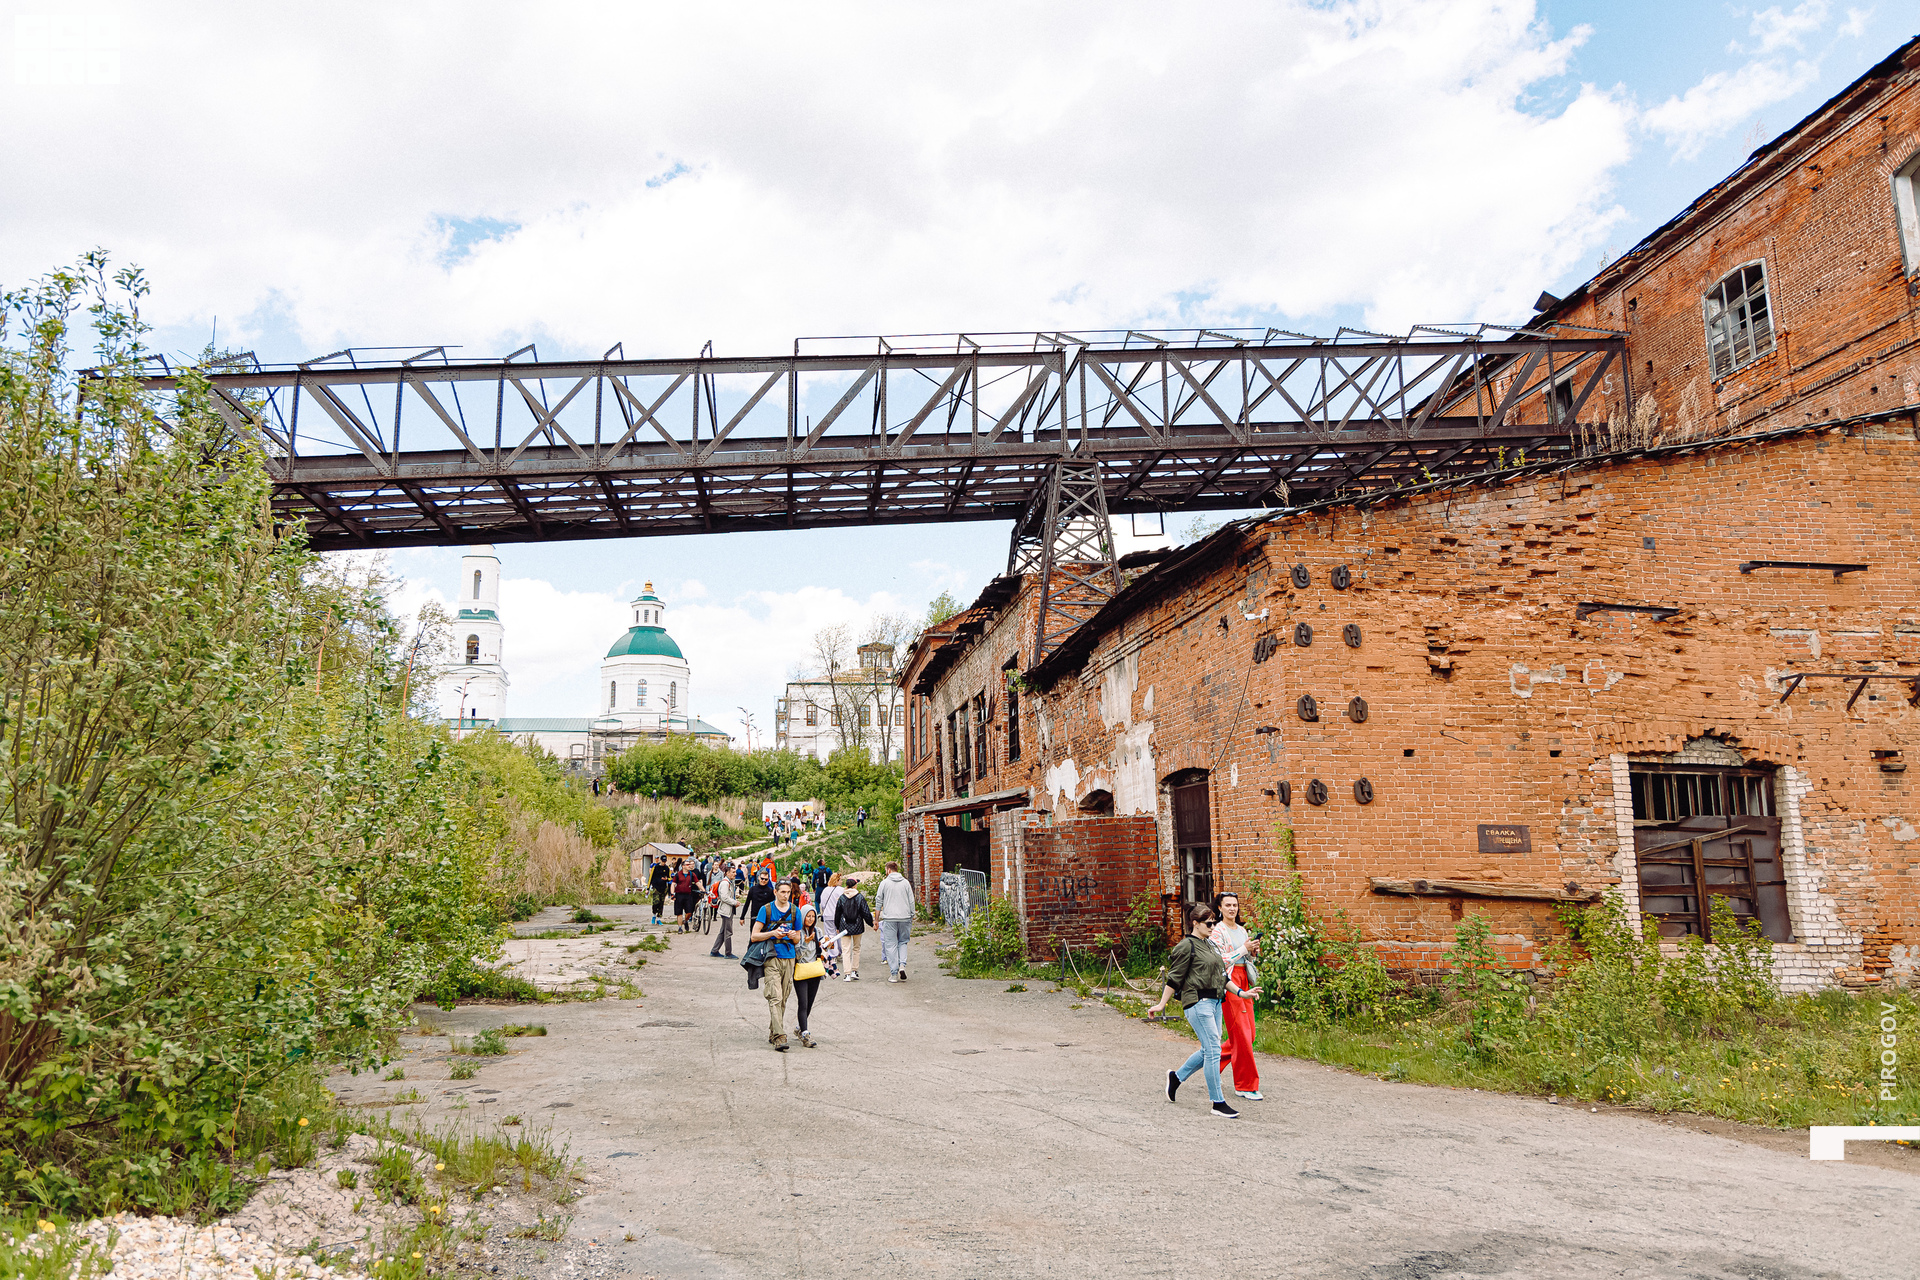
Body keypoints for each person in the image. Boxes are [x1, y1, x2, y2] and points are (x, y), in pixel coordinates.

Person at [1146, 902, 1257, 1119]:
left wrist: (1242, 993)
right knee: (1214, 1051)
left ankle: (1176, 1078)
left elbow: (1222, 977)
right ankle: (1217, 1102)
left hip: (1215, 1002)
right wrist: (1161, 1004)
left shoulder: (1211, 945)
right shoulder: (1187, 946)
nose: (1213, 926)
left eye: (1214, 922)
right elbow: (1174, 978)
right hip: (1197, 1003)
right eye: (1209, 923)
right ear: (1195, 923)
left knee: (1209, 1050)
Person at [1210, 891, 1264, 1101]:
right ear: (1220, 908)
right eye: (1228, 905)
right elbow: (1219, 961)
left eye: (1235, 905)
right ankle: (1246, 1085)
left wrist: (1252, 952)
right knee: (1241, 1034)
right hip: (1229, 983)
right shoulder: (1217, 932)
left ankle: (1210, 1062)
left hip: (1245, 982)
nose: (1232, 909)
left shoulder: (1242, 930)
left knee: (1248, 1036)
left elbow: (1247, 958)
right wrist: (1243, 949)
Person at [752, 879, 804, 1051]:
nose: (785, 895)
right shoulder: (765, 910)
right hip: (771, 956)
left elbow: (798, 938)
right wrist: (773, 933)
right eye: (782, 892)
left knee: (783, 998)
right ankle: (780, 1036)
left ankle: (774, 1031)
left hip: (789, 957)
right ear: (775, 892)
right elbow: (754, 936)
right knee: (775, 996)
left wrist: (791, 935)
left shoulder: (796, 911)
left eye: (788, 892)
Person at [791, 905, 827, 1048]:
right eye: (808, 916)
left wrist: (827, 944)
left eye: (813, 916)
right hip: (801, 971)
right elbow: (798, 955)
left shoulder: (817, 931)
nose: (811, 919)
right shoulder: (797, 933)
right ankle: (805, 1033)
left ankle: (800, 1028)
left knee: (810, 1003)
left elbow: (821, 950)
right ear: (803, 916)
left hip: (814, 971)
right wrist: (805, 943)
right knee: (803, 1002)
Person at [875, 861, 915, 982]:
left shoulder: (884, 883)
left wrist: (876, 919)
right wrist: (911, 915)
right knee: (903, 942)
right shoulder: (906, 883)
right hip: (905, 917)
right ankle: (902, 965)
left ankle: (894, 974)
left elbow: (878, 901)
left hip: (889, 918)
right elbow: (911, 900)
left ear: (888, 870)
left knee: (891, 945)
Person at [834, 876, 873, 980]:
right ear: (855, 885)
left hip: (844, 926)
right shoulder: (859, 897)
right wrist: (872, 924)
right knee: (856, 949)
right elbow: (865, 912)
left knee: (846, 950)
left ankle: (847, 974)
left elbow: (837, 914)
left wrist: (837, 926)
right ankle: (854, 971)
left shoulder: (842, 897)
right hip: (857, 926)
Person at [710, 861, 739, 958]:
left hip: (728, 910)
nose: (735, 874)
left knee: (723, 931)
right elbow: (724, 897)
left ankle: (714, 950)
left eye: (735, 872)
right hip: (726, 910)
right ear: (727, 873)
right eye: (733, 872)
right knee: (728, 932)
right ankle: (728, 953)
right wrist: (735, 902)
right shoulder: (725, 883)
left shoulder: (729, 882)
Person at [647, 858, 670, 925]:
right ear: (660, 860)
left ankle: (659, 918)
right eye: (663, 861)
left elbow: (670, 878)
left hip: (663, 888)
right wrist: (648, 888)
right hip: (656, 887)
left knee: (661, 903)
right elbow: (650, 877)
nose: (664, 862)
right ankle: (654, 915)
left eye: (665, 861)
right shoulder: (655, 867)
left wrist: (667, 879)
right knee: (655, 902)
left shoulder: (667, 868)